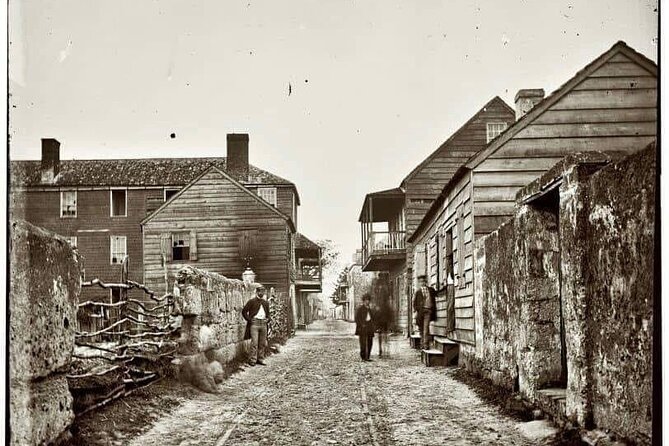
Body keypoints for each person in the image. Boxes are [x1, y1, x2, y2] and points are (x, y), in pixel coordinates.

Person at [242, 285, 271, 366]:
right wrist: (249, 320)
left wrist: (267, 319)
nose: (262, 293)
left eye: (263, 291)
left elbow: (268, 315)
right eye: (260, 291)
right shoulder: (251, 301)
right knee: (254, 343)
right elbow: (244, 311)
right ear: (257, 292)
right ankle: (252, 360)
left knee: (262, 343)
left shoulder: (266, 303)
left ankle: (260, 359)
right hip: (254, 324)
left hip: (263, 324)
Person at [412, 275, 436, 350]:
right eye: (421, 281)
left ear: (426, 282)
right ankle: (422, 344)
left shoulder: (430, 290)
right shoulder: (418, 292)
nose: (423, 283)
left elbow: (435, 294)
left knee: (426, 328)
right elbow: (414, 302)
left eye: (424, 281)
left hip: (428, 310)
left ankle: (426, 345)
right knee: (421, 328)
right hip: (420, 312)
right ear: (419, 283)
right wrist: (416, 310)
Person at [355, 294, 376, 362]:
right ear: (363, 301)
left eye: (368, 300)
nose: (367, 302)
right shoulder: (360, 309)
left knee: (370, 342)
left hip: (369, 327)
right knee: (363, 342)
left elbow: (373, 318)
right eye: (366, 300)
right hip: (362, 327)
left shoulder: (370, 309)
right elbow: (357, 319)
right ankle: (363, 357)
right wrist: (361, 325)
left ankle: (368, 356)